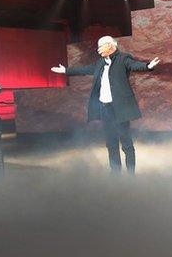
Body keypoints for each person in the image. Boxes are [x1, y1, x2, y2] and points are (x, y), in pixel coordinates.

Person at [51, 36, 161, 174]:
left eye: (101, 46)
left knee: (126, 143)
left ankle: (131, 174)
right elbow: (85, 69)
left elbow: (133, 65)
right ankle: (115, 173)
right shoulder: (100, 63)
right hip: (105, 109)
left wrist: (147, 66)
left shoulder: (123, 58)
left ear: (110, 46)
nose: (98, 49)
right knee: (111, 143)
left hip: (119, 109)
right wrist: (66, 71)